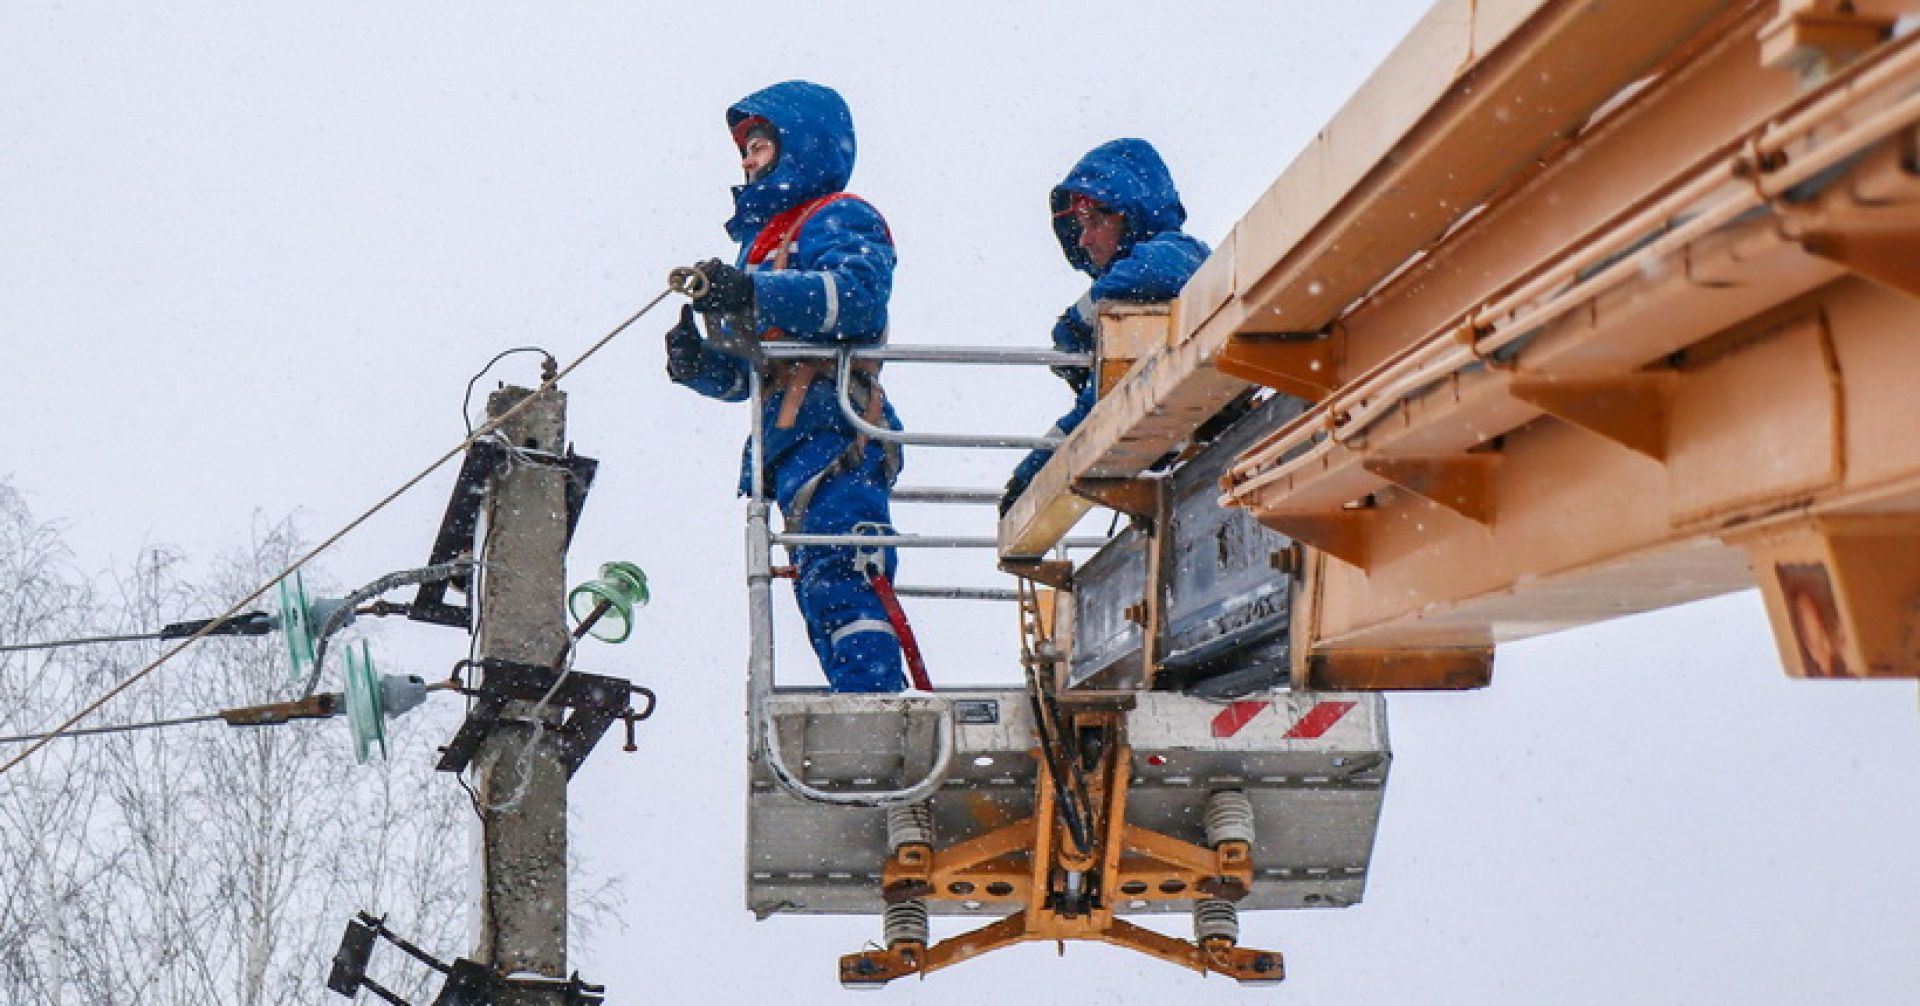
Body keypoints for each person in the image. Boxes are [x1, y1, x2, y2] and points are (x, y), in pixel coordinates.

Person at [665, 80, 906, 693]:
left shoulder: (838, 217)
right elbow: (751, 373)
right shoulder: (760, 247)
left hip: (837, 427)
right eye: (746, 149)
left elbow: (854, 299)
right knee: (818, 587)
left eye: (761, 145)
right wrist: (700, 362)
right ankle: (856, 695)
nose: (747, 160)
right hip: (786, 440)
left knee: (846, 570)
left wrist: (752, 293)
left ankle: (873, 699)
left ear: (801, 147)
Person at [1000, 139, 1211, 514]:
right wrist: (1034, 471)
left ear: (1131, 215)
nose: (1085, 239)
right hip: (1194, 475)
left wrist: (1078, 321)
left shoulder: (1176, 253)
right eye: (1080, 226)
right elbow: (1098, 405)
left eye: (1095, 221)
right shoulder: (1132, 306)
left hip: (1210, 464)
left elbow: (1160, 268)